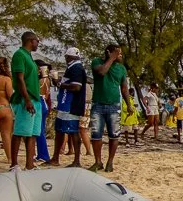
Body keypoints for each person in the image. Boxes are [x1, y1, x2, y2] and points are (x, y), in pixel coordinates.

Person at [88, 44, 133, 173]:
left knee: (114, 135)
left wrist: (129, 105)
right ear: (109, 52)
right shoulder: (97, 62)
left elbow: (124, 88)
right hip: (98, 104)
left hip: (114, 105)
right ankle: (98, 161)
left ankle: (110, 162)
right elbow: (102, 72)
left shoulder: (121, 69)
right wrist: (111, 58)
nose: (120, 55)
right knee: (96, 135)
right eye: (118, 53)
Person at [49, 48, 86, 167]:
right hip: (64, 104)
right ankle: (55, 157)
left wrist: (60, 84)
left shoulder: (77, 68)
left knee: (73, 131)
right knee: (59, 130)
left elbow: (76, 87)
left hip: (72, 104)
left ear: (69, 57)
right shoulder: (72, 68)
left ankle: (76, 161)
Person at [9, 32, 41, 169]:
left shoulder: (29, 57)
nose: (38, 44)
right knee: (20, 131)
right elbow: (20, 78)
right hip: (25, 98)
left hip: (35, 98)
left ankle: (30, 164)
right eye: (37, 41)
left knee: (33, 133)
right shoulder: (19, 55)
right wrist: (27, 100)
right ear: (30, 41)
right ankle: (14, 163)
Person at [34, 61, 53, 164]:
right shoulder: (47, 80)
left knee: (39, 131)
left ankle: (43, 155)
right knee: (40, 130)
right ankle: (42, 154)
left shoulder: (40, 80)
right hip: (44, 103)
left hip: (39, 102)